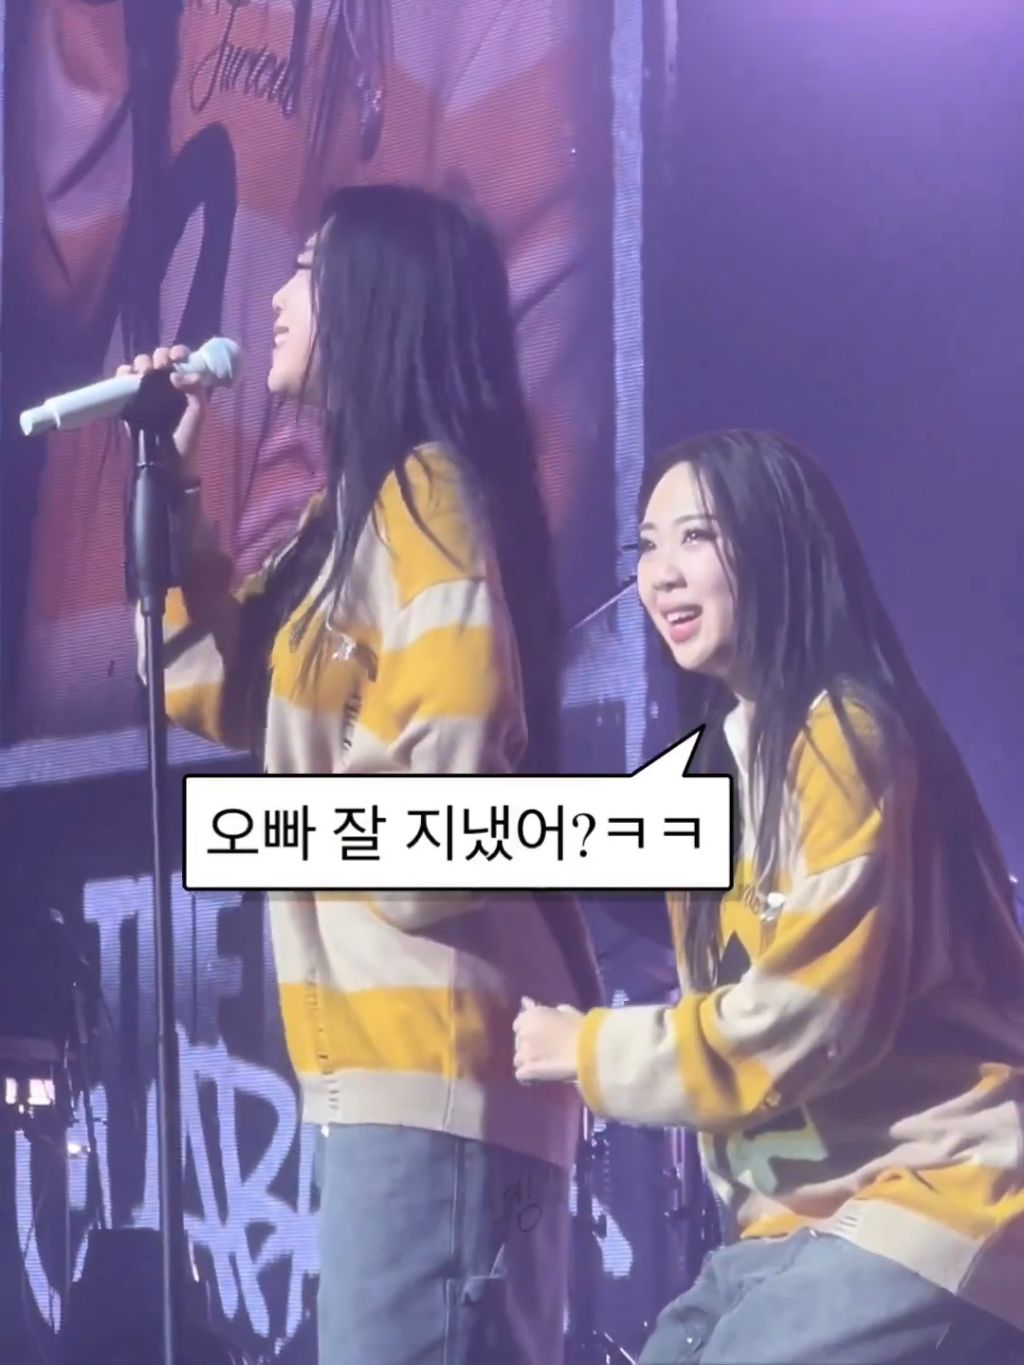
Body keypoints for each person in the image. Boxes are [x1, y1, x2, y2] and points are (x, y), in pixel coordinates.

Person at [127, 184, 601, 1365]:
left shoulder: (426, 502)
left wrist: (322, 830)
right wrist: (170, 477)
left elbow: (446, 804)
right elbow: (202, 684)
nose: (276, 297)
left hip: (435, 1065)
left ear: (375, 301)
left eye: (306, 269)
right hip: (396, 1075)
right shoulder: (347, 523)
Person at [514, 430, 1024, 1364]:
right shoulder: (720, 769)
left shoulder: (845, 737)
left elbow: (804, 1019)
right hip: (791, 1230)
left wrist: (586, 1048)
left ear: (779, 549)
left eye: (697, 537)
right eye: (647, 546)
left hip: (932, 1200)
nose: (662, 573)